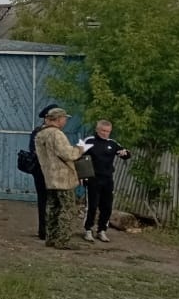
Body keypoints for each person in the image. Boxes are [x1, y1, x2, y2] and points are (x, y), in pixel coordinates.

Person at [35, 107, 89, 249]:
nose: (65, 121)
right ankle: (62, 240)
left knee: (52, 208)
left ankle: (51, 238)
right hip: (63, 178)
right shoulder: (56, 134)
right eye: (64, 118)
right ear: (58, 119)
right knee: (67, 208)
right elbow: (67, 154)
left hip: (50, 177)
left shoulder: (40, 134)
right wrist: (80, 149)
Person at [81, 120, 131, 243]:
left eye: (108, 131)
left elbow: (126, 154)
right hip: (93, 178)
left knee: (107, 206)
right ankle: (88, 229)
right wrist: (82, 176)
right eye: (103, 131)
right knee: (92, 205)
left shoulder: (112, 143)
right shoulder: (89, 141)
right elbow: (78, 157)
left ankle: (102, 230)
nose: (105, 133)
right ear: (97, 130)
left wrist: (125, 153)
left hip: (107, 179)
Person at [29, 104, 57, 240]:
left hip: (54, 171)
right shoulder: (39, 132)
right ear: (47, 118)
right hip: (42, 170)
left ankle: (51, 229)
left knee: (53, 200)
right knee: (44, 199)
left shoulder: (57, 132)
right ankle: (44, 230)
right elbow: (34, 150)